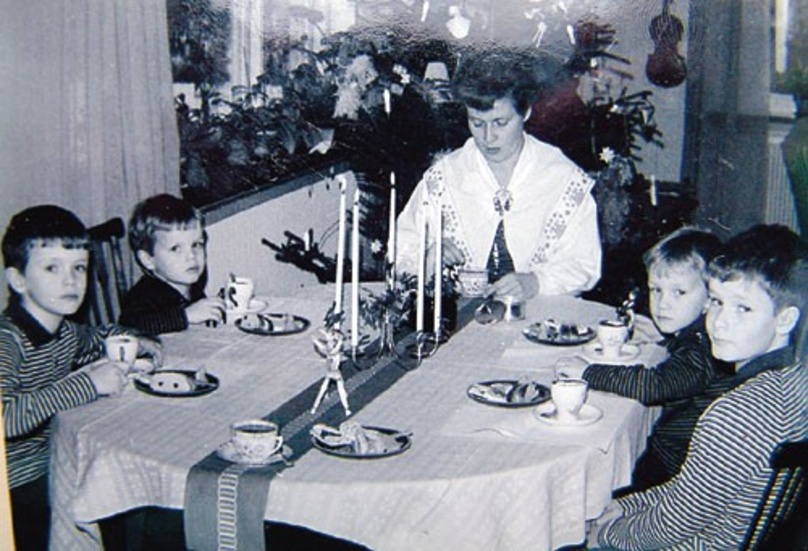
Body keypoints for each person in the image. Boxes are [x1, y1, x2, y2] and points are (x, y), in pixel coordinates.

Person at [591, 224, 808, 549]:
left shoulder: (735, 414)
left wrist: (603, 536)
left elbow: (667, 529)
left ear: (785, 320)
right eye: (717, 302)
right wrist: (627, 505)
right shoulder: (796, 380)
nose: (719, 322)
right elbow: (691, 493)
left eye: (743, 309)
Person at [0, 205, 158, 551]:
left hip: (55, 461)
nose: (71, 280)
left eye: (79, 268)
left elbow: (100, 337)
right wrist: (88, 384)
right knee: (115, 495)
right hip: (13, 487)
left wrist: (139, 342)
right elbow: (5, 417)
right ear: (18, 280)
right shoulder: (7, 340)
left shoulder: (65, 332)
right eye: (52, 268)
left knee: (123, 480)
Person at [395, 49, 601, 300]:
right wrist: (429, 257)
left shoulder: (562, 178)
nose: (488, 137)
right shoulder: (445, 177)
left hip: (539, 320)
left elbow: (584, 264)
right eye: (477, 123)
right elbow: (401, 250)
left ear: (525, 113)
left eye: (500, 123)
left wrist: (536, 282)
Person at [556, 227, 728, 490]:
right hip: (672, 459)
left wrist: (589, 373)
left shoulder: (702, 348)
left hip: (676, 473)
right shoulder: (698, 335)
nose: (663, 304)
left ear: (710, 300)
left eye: (679, 292)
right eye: (656, 290)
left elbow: (654, 385)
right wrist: (665, 341)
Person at [119, 194, 225, 335]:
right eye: (176, 248)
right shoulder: (143, 295)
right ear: (148, 260)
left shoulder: (193, 284)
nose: (191, 256)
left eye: (196, 245)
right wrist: (185, 316)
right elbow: (128, 327)